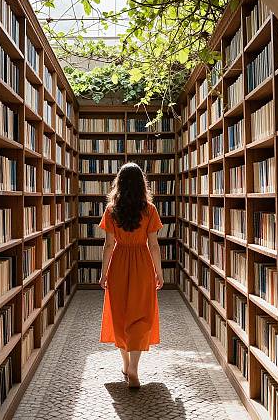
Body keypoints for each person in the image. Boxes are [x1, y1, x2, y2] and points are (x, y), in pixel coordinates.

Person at [98, 162, 164, 389]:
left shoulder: (111, 210)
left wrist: (103, 273)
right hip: (142, 264)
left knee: (120, 314)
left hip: (118, 264)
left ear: (119, 183)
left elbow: (108, 245)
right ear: (141, 184)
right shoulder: (150, 210)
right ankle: (134, 367)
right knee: (140, 315)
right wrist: (159, 272)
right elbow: (154, 245)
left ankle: (125, 366)